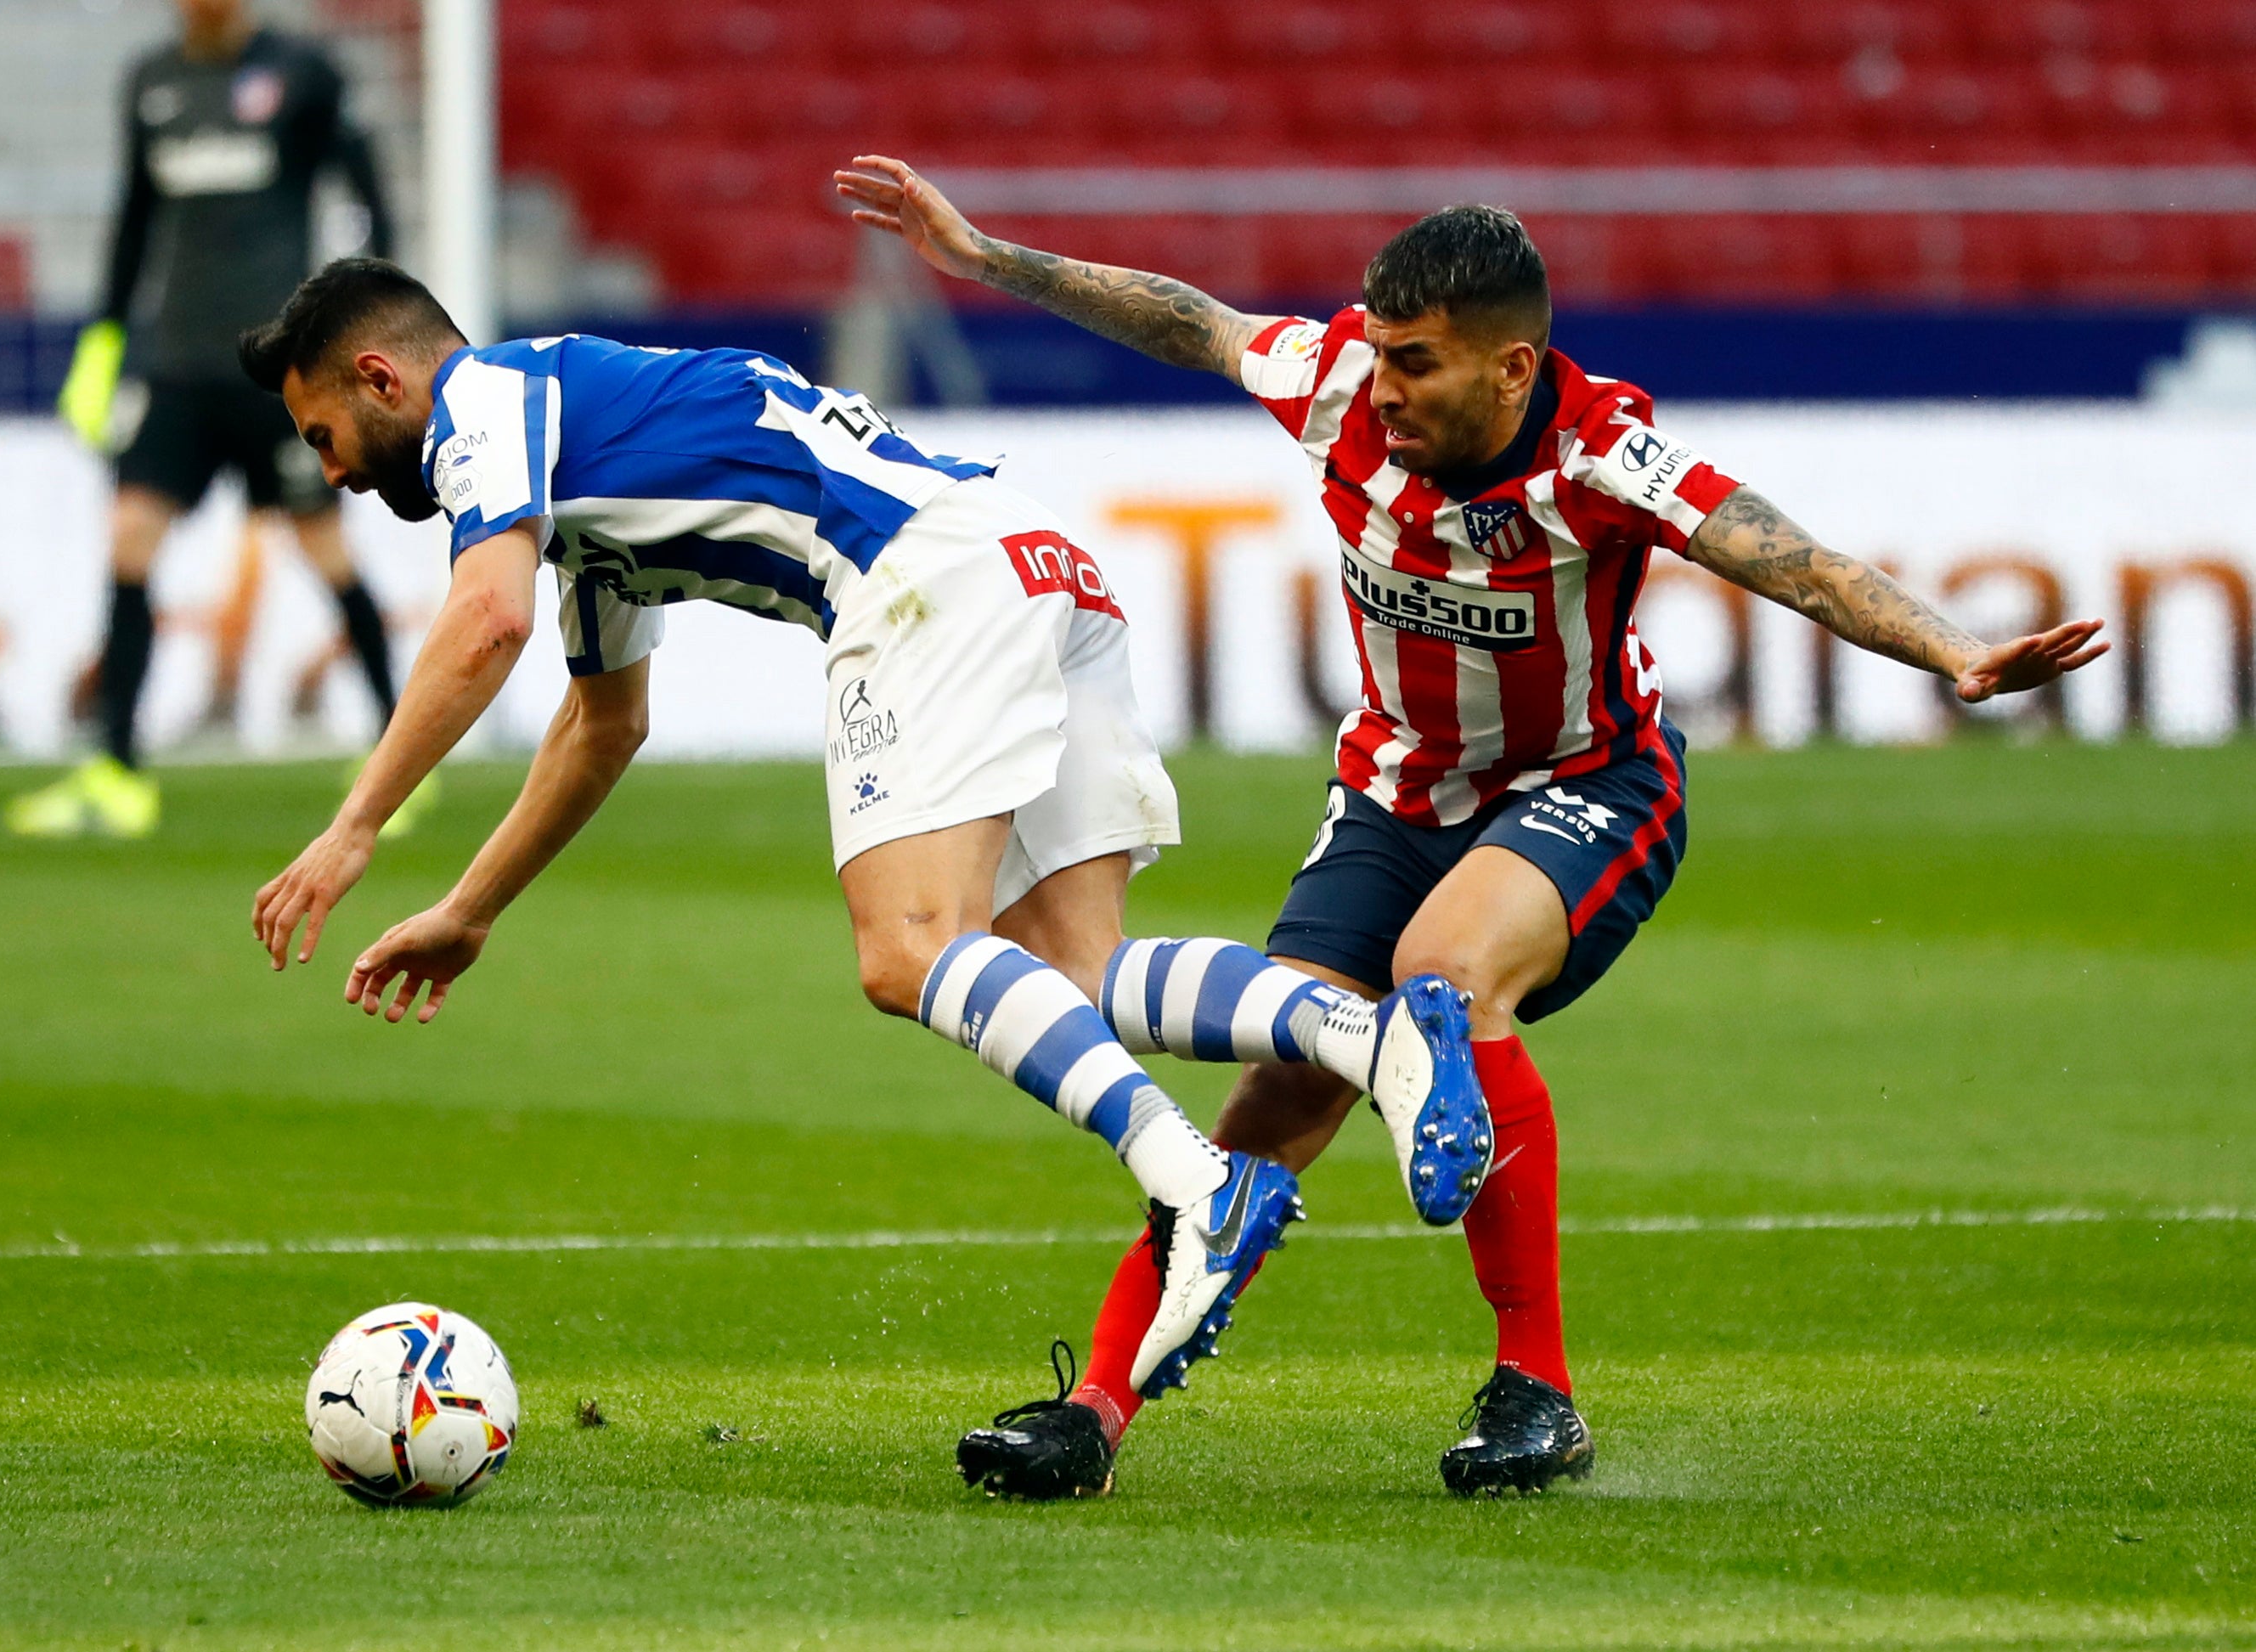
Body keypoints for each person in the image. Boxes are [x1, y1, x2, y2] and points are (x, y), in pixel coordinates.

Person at [833, 155, 2108, 1500]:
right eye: (1380, 353)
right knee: (1278, 1086)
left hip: (1587, 783)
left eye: (1419, 364)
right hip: (1390, 796)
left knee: (1443, 974)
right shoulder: (1334, 389)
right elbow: (1190, 319)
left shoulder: (1602, 450)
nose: (1382, 388)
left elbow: (1784, 556)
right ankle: (1093, 1411)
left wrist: (1953, 651)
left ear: (1511, 371)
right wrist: (985, 259)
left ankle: (1536, 1389)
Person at [236, 258, 1509, 1399]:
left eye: (327, 433)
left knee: (906, 951)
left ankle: (1195, 1182)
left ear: (381, 375)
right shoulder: (585, 462)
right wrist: (469, 907)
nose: (333, 469)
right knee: (1074, 974)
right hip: (1026, 555)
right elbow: (599, 726)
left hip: (916, 582)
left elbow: (484, 621)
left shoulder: (487, 410)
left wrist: (355, 827)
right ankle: (1379, 1034)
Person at [8, 0, 412, 839]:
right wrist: (105, 338)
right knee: (128, 540)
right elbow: (135, 217)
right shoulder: (154, 82)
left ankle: (396, 756)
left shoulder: (303, 73)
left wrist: (361, 320)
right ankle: (117, 769)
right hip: (179, 367)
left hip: (277, 374)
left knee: (325, 550)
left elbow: (369, 193)